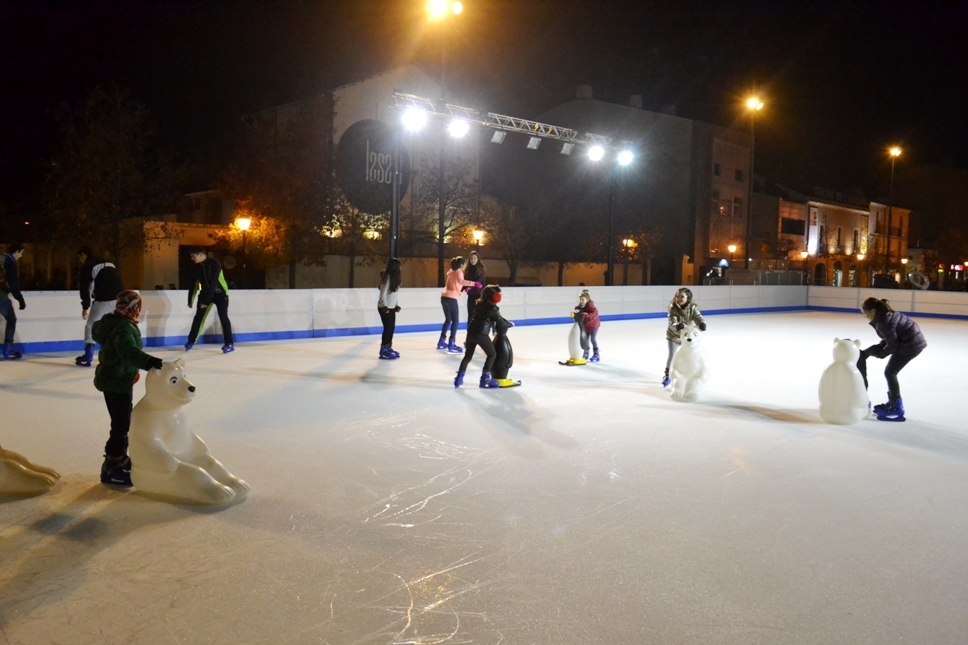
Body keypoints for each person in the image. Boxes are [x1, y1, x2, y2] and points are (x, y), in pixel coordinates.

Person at [92, 290, 164, 486]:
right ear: (134, 308)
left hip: (115, 378)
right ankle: (113, 465)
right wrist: (149, 362)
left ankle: (118, 458)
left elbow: (121, 353)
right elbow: (128, 352)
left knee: (121, 421)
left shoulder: (113, 323)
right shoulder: (123, 327)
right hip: (117, 381)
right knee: (122, 424)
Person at [857, 297, 927, 420]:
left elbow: (892, 345)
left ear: (872, 311)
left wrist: (879, 354)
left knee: (890, 372)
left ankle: (897, 407)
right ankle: (894, 403)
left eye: (865, 313)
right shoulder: (886, 316)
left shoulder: (884, 322)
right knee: (890, 372)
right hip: (911, 341)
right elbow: (890, 339)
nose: (865, 316)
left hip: (910, 345)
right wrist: (873, 349)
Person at [75, 246, 125, 367]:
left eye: (79, 257)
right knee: (114, 327)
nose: (79, 260)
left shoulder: (87, 267)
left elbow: (85, 289)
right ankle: (118, 355)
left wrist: (85, 306)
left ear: (83, 255)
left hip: (103, 299)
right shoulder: (109, 264)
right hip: (119, 297)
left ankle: (88, 356)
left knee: (91, 326)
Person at [454, 284, 511, 389]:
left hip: (471, 332)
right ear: (493, 296)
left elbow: (497, 318)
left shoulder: (479, 304)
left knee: (468, 356)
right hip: (481, 334)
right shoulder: (493, 308)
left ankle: (458, 378)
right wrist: (509, 324)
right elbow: (501, 322)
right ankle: (484, 379)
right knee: (492, 354)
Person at [185, 247, 234, 353]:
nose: (192, 259)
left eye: (194, 256)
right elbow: (193, 283)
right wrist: (190, 299)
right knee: (198, 318)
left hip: (221, 295)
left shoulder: (215, 264)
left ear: (201, 255)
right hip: (205, 295)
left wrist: (205, 302)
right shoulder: (197, 267)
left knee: (223, 317)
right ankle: (191, 341)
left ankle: (229, 343)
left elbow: (213, 283)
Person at [663, 287, 706, 388]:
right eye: (677, 296)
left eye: (682, 296)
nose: (679, 298)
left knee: (689, 356)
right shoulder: (673, 308)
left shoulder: (692, 308)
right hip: (673, 336)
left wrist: (701, 323)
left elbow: (698, 317)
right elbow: (671, 322)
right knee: (672, 355)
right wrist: (677, 325)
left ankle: (688, 374)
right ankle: (667, 375)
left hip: (687, 338)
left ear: (688, 298)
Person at [437, 256, 480, 354]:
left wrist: (464, 289)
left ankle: (441, 341)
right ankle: (451, 344)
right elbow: (461, 281)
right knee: (455, 321)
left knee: (448, 320)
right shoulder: (459, 272)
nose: (465, 265)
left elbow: (455, 284)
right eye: (464, 263)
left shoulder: (451, 272)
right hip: (451, 298)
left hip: (444, 297)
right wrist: (474, 284)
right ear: (461, 264)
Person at [0, 243, 26, 360]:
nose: (20, 256)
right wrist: (20, 299)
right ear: (16, 252)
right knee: (11, 319)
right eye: (21, 253)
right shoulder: (10, 262)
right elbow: (13, 283)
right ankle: (7, 348)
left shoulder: (1, 259)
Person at [377, 258, 402, 360]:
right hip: (384, 307)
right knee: (388, 328)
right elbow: (382, 293)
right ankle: (383, 349)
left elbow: (394, 294)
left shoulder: (395, 278)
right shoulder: (387, 277)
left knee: (391, 328)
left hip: (391, 307)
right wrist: (384, 306)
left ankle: (388, 347)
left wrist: (396, 305)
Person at [572, 289, 601, 362]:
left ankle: (596, 354)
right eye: (580, 299)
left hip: (594, 326)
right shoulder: (578, 307)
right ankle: (586, 352)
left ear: (587, 300)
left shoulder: (591, 307)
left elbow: (595, 314)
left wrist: (587, 315)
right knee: (586, 340)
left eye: (583, 299)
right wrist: (574, 315)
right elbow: (577, 313)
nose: (581, 301)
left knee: (593, 339)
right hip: (586, 326)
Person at [463, 250, 486, 323]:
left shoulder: (481, 269)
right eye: (471, 258)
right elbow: (464, 280)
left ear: (478, 259)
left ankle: (480, 332)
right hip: (471, 295)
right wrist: (464, 287)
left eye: (474, 258)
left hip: (479, 295)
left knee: (480, 314)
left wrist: (470, 287)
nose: (473, 260)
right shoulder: (467, 269)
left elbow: (478, 282)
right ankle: (470, 332)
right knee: (470, 315)